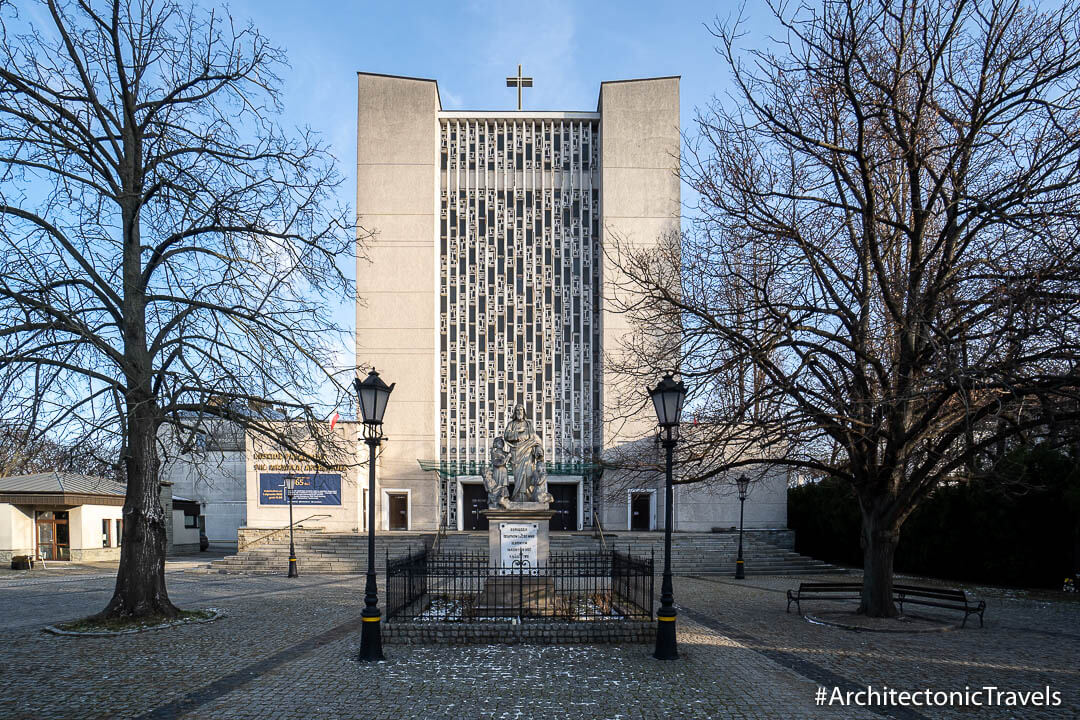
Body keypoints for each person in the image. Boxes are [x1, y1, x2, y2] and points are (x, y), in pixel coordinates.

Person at [503, 403, 543, 502]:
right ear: (515, 412)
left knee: (528, 474)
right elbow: (506, 436)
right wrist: (517, 433)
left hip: (528, 451)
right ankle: (517, 497)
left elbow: (535, 439)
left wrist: (538, 449)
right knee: (518, 476)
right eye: (517, 410)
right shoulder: (511, 424)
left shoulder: (528, 424)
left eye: (521, 410)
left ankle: (528, 496)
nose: (519, 412)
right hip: (516, 452)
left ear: (524, 412)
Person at [484, 438, 511, 509]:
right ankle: (496, 500)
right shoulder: (494, 453)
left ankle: (503, 499)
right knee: (497, 485)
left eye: (502, 442)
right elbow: (497, 463)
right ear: (495, 443)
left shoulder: (505, 453)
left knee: (504, 485)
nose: (501, 444)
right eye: (499, 442)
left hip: (504, 471)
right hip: (497, 470)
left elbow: (512, 458)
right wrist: (507, 458)